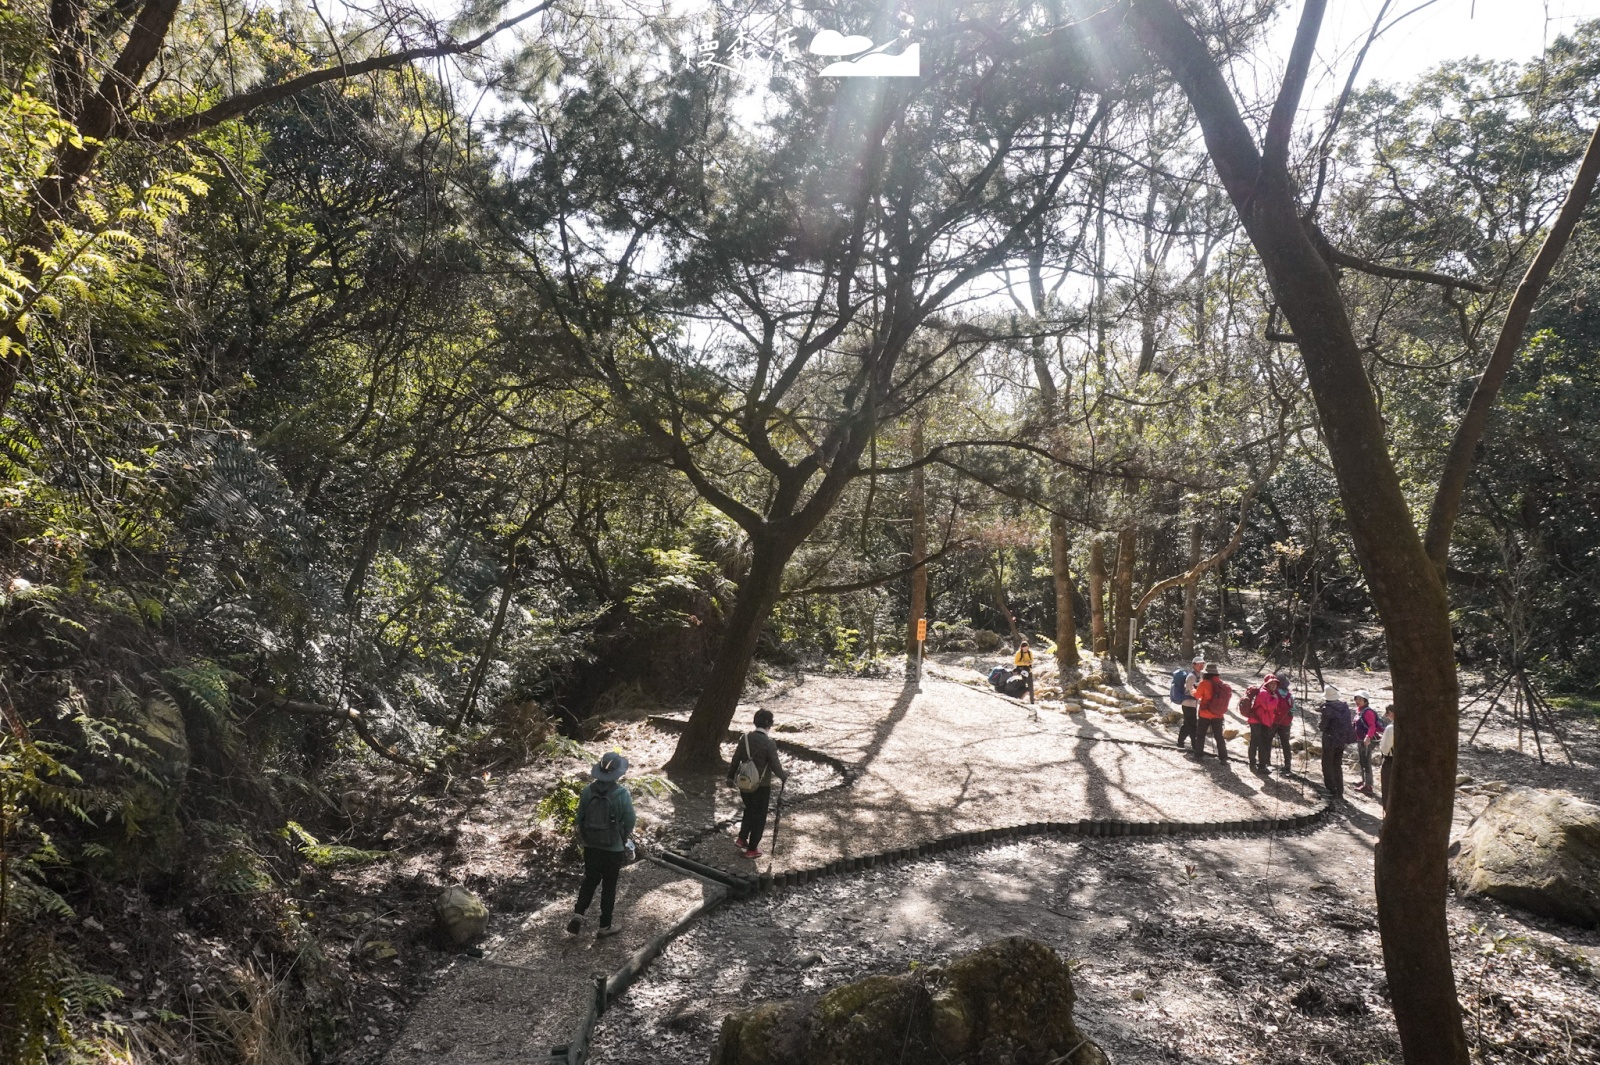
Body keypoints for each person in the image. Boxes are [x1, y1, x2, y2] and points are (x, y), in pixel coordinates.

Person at [567, 751, 636, 938]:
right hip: (613, 848)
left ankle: (578, 914)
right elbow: (630, 820)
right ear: (617, 774)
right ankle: (605, 926)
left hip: (590, 846)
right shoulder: (621, 794)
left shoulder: (588, 791)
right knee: (609, 885)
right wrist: (623, 835)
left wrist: (586, 836)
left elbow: (579, 818)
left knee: (590, 880)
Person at [727, 708, 789, 858]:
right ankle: (752, 849)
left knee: (749, 809)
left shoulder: (745, 738)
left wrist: (730, 777)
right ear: (769, 723)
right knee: (759, 816)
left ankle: (742, 839)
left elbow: (735, 760)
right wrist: (784, 776)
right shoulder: (769, 743)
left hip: (744, 783)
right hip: (761, 786)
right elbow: (775, 766)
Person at [1318, 686, 1354, 800]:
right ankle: (1339, 790)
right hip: (1341, 740)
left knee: (1327, 764)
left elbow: (1324, 726)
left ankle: (1331, 790)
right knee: (1337, 765)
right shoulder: (1345, 707)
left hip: (1330, 740)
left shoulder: (1327, 709)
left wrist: (1320, 726)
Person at [1246, 676, 1288, 775]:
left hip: (1263, 721)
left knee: (1261, 744)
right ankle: (1254, 764)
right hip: (1257, 721)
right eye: (1271, 683)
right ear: (1266, 684)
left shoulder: (1270, 693)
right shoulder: (1263, 692)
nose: (1274, 685)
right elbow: (1268, 706)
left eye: (1275, 683)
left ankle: (1260, 765)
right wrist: (1276, 700)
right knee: (1256, 743)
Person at [1192, 663, 1232, 762]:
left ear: (1206, 673)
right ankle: (1223, 758)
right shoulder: (1222, 684)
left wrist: (1193, 690)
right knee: (1219, 737)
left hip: (1205, 714)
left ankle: (1198, 755)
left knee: (1201, 735)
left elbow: (1197, 696)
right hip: (1218, 714)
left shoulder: (1204, 683)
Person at [1352, 691, 1382, 796]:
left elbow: (1372, 726)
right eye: (1356, 699)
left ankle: (1368, 786)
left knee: (1366, 762)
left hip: (1367, 741)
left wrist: (1368, 737)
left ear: (1365, 701)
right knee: (1362, 761)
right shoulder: (1359, 711)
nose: (1357, 701)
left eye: (1360, 699)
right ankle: (1364, 781)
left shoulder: (1368, 712)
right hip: (1361, 740)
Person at [1176, 655, 1205, 751]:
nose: (1201, 666)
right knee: (1192, 725)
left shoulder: (1199, 675)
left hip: (1193, 704)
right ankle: (1194, 745)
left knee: (1187, 724)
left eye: (1202, 664)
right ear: (1194, 665)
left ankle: (1180, 742)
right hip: (1188, 704)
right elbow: (1191, 691)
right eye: (1199, 664)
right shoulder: (1191, 677)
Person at [1271, 673, 1296, 774]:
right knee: (1285, 744)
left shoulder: (1273, 693)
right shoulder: (1290, 695)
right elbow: (1293, 709)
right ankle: (1287, 765)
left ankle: (1266, 763)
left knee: (1267, 741)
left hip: (1273, 721)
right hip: (1286, 723)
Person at [1378, 705, 1396, 811]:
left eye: (1388, 713)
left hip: (1390, 760)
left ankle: (1388, 814)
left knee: (1387, 789)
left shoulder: (1390, 728)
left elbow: (1385, 748)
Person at [1013, 639, 1035, 703]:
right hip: (1021, 670)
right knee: (1022, 684)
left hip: (1028, 670)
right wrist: (1024, 663)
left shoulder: (1030, 652)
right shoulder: (1018, 653)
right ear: (1021, 648)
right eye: (1024, 649)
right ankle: (1019, 698)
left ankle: (1032, 701)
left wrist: (1030, 662)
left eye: (1027, 648)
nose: (1026, 650)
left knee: (1031, 685)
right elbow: (1016, 662)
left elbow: (1032, 660)